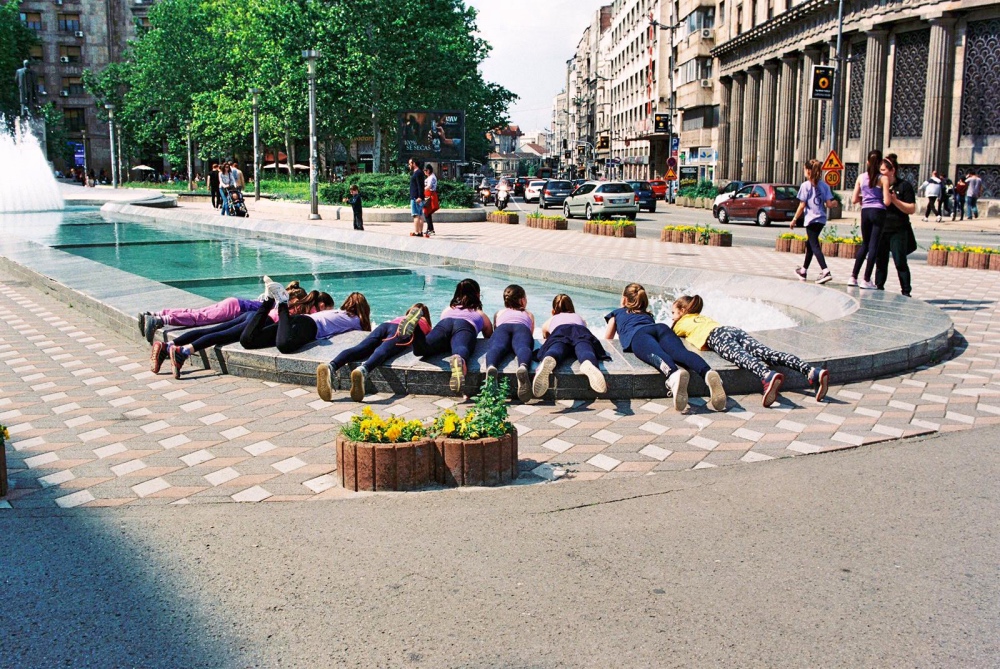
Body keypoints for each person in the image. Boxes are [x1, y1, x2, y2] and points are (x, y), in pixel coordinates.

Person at [672, 295, 829, 408]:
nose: (671, 317)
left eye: (673, 313)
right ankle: (811, 371)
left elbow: (670, 334)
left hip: (715, 337)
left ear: (683, 310)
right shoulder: (700, 316)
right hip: (730, 330)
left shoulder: (680, 323)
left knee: (741, 357)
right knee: (767, 353)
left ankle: (767, 376)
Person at [604, 283, 725, 412]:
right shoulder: (648, 315)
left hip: (638, 335)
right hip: (661, 328)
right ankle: (707, 372)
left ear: (624, 299)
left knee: (656, 354)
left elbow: (608, 340)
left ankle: (673, 375)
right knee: (680, 352)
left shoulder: (616, 314)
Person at [158, 280, 313, 378]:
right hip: (259, 322)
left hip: (249, 315)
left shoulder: (282, 302)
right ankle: (183, 351)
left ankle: (169, 345)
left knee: (212, 331)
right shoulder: (290, 308)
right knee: (221, 336)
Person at [316, 303, 432, 402]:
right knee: (384, 350)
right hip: (400, 332)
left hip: (386, 326)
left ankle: (331, 366)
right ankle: (363, 370)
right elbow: (424, 343)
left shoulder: (400, 317)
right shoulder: (425, 323)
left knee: (361, 348)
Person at [411, 278, 493, 395]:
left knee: (422, 348)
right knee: (461, 347)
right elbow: (489, 337)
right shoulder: (479, 314)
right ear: (477, 295)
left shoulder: (447, 310)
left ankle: (416, 328)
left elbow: (444, 337)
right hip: (465, 325)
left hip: (445, 323)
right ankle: (460, 359)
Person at [240, 288, 368, 355]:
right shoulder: (355, 319)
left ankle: (269, 301)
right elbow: (366, 335)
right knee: (284, 345)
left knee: (248, 340)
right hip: (309, 326)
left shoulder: (339, 312)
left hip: (299, 320)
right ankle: (283, 303)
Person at [533, 294, 609, 397]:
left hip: (560, 331)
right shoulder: (579, 318)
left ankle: (550, 357)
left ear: (553, 311)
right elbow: (583, 327)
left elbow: (546, 338)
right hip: (580, 331)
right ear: (572, 307)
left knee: (557, 347)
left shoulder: (550, 320)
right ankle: (588, 362)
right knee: (584, 348)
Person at [139, 295, 273, 344]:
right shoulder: (279, 305)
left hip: (234, 302)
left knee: (195, 312)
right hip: (234, 310)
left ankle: (152, 314)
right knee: (199, 318)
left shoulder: (274, 297)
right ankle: (160, 320)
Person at [875, 154, 918, 297]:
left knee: (900, 261)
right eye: (879, 170)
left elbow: (911, 208)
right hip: (881, 229)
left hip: (898, 230)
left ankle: (906, 292)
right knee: (880, 262)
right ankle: (878, 288)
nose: (881, 173)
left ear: (892, 170)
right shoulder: (877, 186)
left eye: (883, 170)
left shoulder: (904, 186)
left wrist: (894, 200)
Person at [484, 285, 535, 403]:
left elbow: (495, 328)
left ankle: (491, 366)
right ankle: (523, 366)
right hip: (522, 328)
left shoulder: (499, 313)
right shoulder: (528, 314)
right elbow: (530, 333)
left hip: (502, 328)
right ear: (522, 300)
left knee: (496, 347)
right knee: (523, 347)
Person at [792, 158, 837, 285]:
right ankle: (803, 270)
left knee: (814, 245)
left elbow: (802, 205)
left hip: (811, 219)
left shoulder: (805, 186)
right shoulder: (824, 186)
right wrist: (834, 203)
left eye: (804, 170)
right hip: (821, 219)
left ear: (808, 171)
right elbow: (829, 204)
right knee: (810, 244)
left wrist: (794, 219)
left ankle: (825, 271)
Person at [849, 149, 886, 289]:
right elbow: (887, 201)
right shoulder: (882, 178)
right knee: (873, 246)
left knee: (865, 244)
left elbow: (853, 199)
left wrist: (864, 198)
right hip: (879, 211)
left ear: (867, 162)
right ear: (880, 163)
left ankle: (853, 276)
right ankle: (866, 279)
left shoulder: (861, 177)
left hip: (865, 211)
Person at [408, 157, 426, 237]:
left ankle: (417, 232)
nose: (409, 165)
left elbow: (420, 186)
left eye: (410, 163)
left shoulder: (417, 173)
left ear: (414, 163)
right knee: (420, 215)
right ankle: (420, 231)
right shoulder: (419, 172)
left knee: (416, 215)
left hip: (416, 197)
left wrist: (419, 197)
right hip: (419, 197)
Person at [422, 164, 438, 237]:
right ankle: (430, 229)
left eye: (425, 171)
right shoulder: (430, 177)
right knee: (427, 213)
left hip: (430, 196)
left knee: (426, 213)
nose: (424, 172)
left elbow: (429, 187)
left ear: (428, 170)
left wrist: (421, 190)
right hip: (429, 195)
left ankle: (430, 229)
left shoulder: (431, 177)